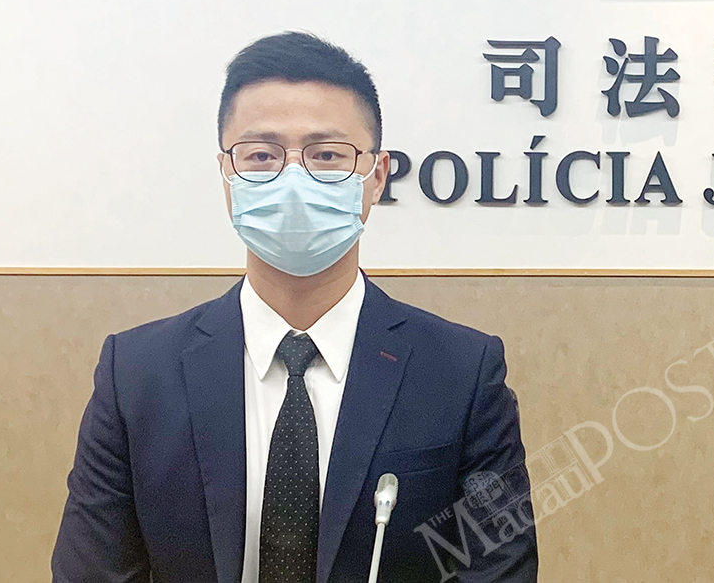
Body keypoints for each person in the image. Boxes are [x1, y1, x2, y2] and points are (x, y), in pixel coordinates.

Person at [51, 31, 538, 582]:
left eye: (327, 155)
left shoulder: (461, 373)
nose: (292, 178)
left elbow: (498, 570)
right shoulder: (137, 374)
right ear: (227, 175)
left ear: (376, 177)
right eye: (261, 155)